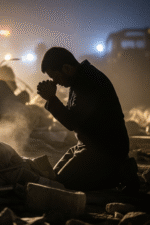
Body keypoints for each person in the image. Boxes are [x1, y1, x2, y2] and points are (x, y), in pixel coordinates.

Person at [37, 47, 139, 192]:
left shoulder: (89, 82)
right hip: (88, 145)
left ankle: (119, 172)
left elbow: (72, 122)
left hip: (105, 150)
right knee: (53, 178)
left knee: (63, 185)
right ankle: (116, 170)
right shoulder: (78, 79)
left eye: (56, 77)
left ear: (66, 68)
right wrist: (51, 99)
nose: (56, 82)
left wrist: (52, 99)